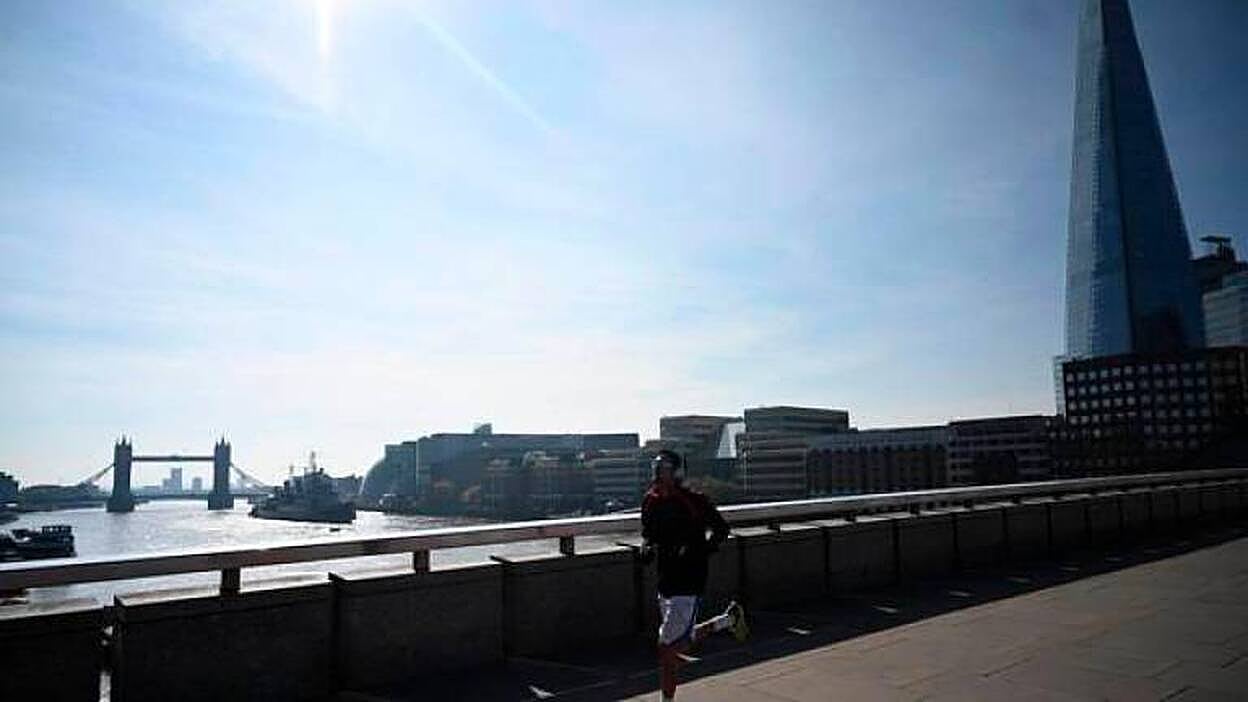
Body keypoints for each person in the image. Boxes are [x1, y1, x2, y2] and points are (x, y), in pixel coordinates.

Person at [640, 449, 748, 701]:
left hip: (689, 580)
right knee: (679, 642)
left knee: (666, 650)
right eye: (656, 467)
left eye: (664, 468)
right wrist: (646, 547)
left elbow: (721, 529)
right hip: (665, 579)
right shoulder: (650, 501)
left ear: (677, 473)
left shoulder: (694, 501)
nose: (658, 473)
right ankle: (728, 620)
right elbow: (648, 532)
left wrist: (699, 552)